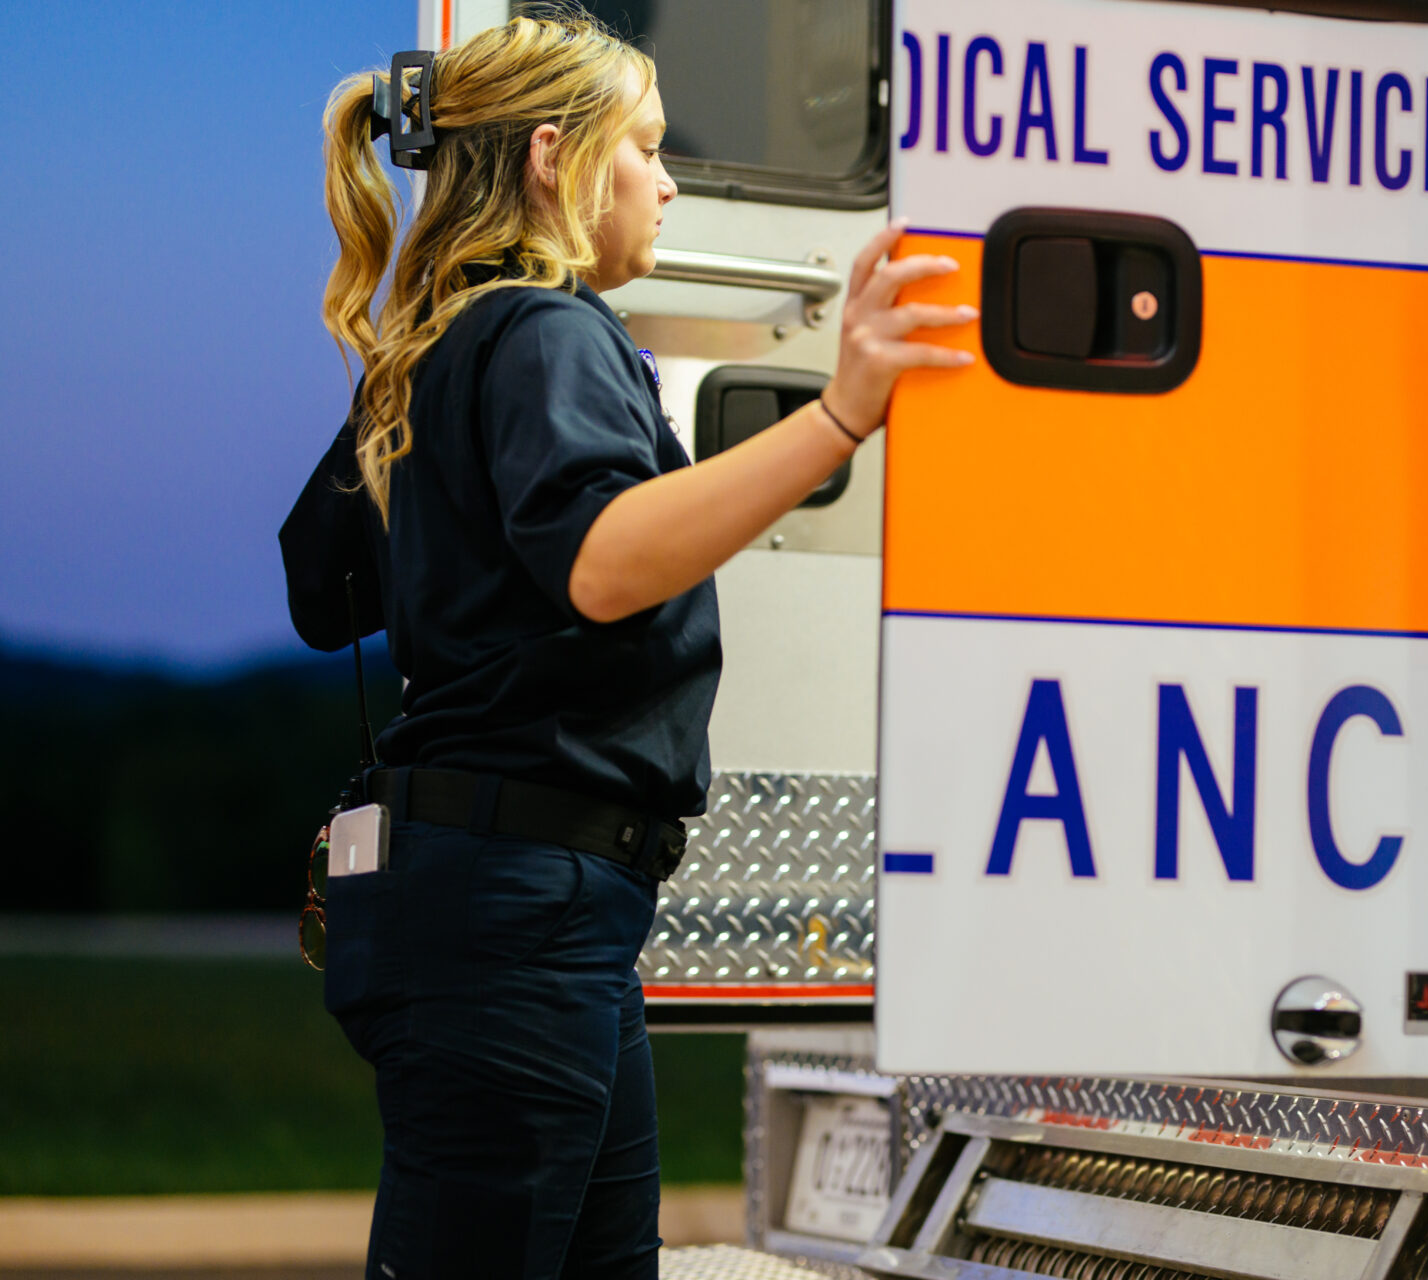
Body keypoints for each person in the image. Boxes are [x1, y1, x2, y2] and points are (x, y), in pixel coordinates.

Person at [278, 12, 974, 1278]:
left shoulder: (451, 340)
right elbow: (602, 561)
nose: (667, 178)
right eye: (647, 147)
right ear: (556, 157)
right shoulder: (548, 330)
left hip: (530, 909)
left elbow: (319, 590)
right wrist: (840, 414)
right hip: (514, 912)